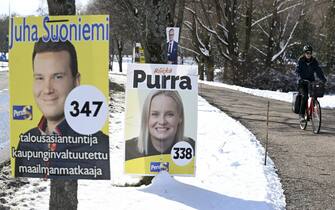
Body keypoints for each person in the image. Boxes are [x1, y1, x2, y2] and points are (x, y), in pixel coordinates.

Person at [15, 39, 110, 179]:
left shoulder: (100, 147)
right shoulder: (26, 142)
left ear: (76, 81)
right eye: (40, 78)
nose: (47, 89)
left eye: (58, 77)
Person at [126, 90, 195, 161]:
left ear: (180, 117)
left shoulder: (192, 148)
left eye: (169, 114)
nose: (162, 121)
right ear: (146, 117)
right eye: (155, 114)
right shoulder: (128, 149)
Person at [295, 45, 327, 121]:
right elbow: (297, 71)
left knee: (315, 95)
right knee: (305, 96)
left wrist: (323, 79)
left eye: (310, 53)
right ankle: (302, 114)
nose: (308, 54)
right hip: (302, 82)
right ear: (304, 53)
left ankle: (313, 109)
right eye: (307, 53)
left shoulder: (314, 61)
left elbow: (318, 71)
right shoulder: (301, 60)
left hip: (311, 81)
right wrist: (300, 79)